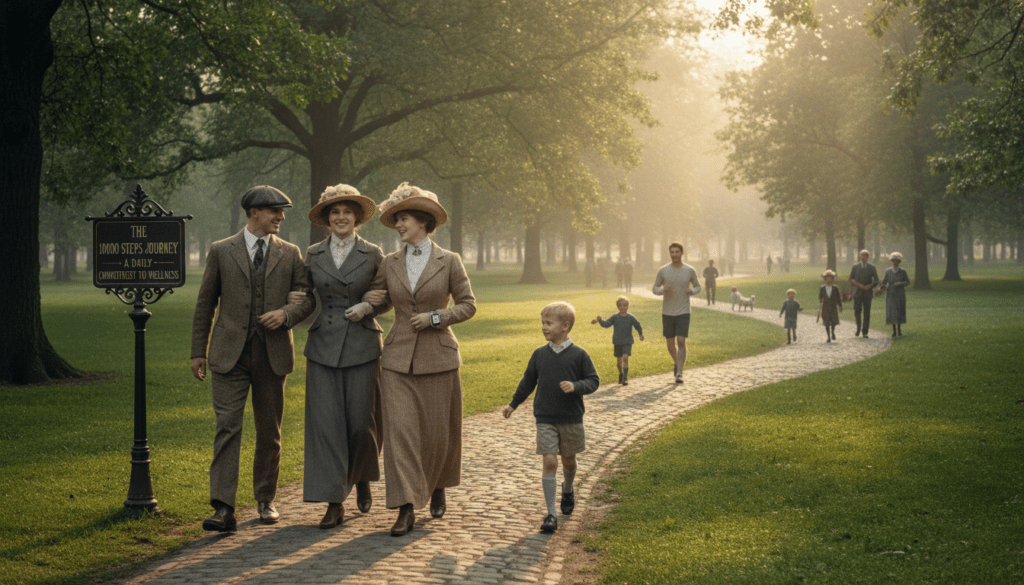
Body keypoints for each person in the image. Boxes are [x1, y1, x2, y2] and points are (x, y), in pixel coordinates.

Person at [190, 186, 314, 532]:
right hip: (228, 355)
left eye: (282, 212)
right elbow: (205, 304)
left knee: (269, 431)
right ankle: (223, 508)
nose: (281, 217)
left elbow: (306, 299)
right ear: (254, 212)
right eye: (275, 211)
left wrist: (286, 314)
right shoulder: (220, 250)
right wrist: (198, 351)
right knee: (227, 427)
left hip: (272, 354)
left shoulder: (290, 254)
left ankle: (265, 500)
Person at [364, 182, 477, 536]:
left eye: (405, 219)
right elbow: (382, 300)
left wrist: (436, 317)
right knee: (400, 433)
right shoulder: (389, 261)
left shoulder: (450, 260)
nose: (399, 225)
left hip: (439, 357)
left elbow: (468, 304)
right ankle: (406, 505)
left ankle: (438, 483)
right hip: (396, 359)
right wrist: (368, 303)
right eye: (396, 219)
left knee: (437, 434)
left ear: (424, 222)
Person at [288, 184, 387, 529]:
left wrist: (369, 306)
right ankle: (334, 500)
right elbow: (305, 299)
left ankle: (360, 476)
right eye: (334, 212)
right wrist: (285, 316)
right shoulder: (313, 254)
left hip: (363, 344)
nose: (341, 217)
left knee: (362, 425)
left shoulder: (374, 253)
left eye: (347, 212)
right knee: (327, 426)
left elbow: (386, 294)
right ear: (327, 220)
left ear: (357, 218)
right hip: (323, 347)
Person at [502, 302, 600, 533]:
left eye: (549, 323)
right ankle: (551, 514)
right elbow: (528, 382)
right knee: (549, 462)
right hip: (545, 417)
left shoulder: (579, 355)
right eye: (542, 323)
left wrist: (576, 386)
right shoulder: (539, 355)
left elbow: (593, 381)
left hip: (571, 418)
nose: (544, 328)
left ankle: (567, 488)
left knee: (568, 461)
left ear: (565, 326)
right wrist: (513, 404)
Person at [652, 242, 700, 384]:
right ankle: (677, 362)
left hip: (684, 311)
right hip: (667, 312)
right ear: (670, 254)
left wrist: (692, 291)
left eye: (677, 252)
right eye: (672, 252)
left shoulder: (689, 270)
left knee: (681, 341)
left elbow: (698, 286)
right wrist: (662, 290)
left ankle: (679, 373)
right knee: (670, 344)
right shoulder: (663, 270)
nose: (674, 255)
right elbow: (655, 288)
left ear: (681, 253)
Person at [591, 295, 644, 385]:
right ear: (618, 307)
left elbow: (637, 325)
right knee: (619, 363)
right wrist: (600, 321)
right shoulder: (615, 317)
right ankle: (621, 374)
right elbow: (607, 324)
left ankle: (625, 378)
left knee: (625, 358)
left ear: (628, 306)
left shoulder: (631, 317)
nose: (623, 307)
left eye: (625, 305)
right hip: (617, 342)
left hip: (627, 342)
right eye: (621, 306)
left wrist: (640, 334)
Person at [848, 249, 880, 338]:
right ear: (859, 256)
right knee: (857, 311)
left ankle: (865, 331)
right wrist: (860, 286)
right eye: (862, 256)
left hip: (868, 293)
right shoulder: (855, 267)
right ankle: (858, 328)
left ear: (868, 257)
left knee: (867, 313)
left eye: (865, 256)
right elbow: (851, 279)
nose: (863, 258)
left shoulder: (872, 267)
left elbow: (876, 280)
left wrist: (870, 286)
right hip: (857, 293)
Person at [879, 252, 910, 337]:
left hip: (900, 294)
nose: (895, 262)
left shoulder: (903, 271)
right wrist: (883, 287)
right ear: (891, 261)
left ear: (899, 261)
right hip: (891, 294)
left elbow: (907, 282)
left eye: (896, 260)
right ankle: (894, 331)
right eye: (893, 260)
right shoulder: (888, 271)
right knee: (892, 311)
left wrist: (900, 283)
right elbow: (884, 282)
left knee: (900, 311)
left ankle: (899, 330)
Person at [817, 269, 843, 342]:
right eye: (827, 279)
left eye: (830, 279)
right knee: (827, 322)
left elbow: (838, 298)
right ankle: (828, 336)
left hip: (833, 307)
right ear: (825, 279)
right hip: (825, 307)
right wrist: (821, 300)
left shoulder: (835, 288)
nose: (829, 281)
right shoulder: (822, 288)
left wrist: (840, 305)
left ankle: (833, 332)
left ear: (832, 279)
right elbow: (820, 296)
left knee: (834, 321)